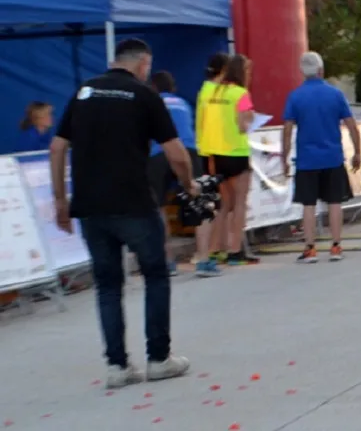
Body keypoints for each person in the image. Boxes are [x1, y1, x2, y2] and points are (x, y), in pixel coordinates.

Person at [49, 39, 193, 388]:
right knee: (155, 275)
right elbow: (176, 153)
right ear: (144, 63)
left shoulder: (84, 91)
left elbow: (57, 147)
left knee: (108, 284)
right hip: (133, 202)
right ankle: (159, 358)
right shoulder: (144, 95)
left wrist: (60, 201)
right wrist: (190, 185)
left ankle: (117, 366)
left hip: (90, 206)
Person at [281, 52, 361, 263]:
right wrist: (358, 151)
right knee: (335, 202)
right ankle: (336, 246)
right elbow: (351, 125)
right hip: (333, 157)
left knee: (308, 204)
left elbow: (287, 129)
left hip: (307, 160)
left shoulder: (295, 97)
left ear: (302, 73)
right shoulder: (335, 94)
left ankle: (310, 248)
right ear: (321, 70)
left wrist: (284, 156)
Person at [146, 71, 217, 277]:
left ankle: (167, 262)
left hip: (158, 154)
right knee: (201, 203)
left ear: (153, 88)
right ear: (173, 87)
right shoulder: (183, 104)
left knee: (158, 207)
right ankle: (203, 260)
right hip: (187, 151)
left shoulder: (149, 102)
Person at [197, 54, 259, 266]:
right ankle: (235, 250)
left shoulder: (214, 91)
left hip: (216, 153)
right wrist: (252, 119)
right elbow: (242, 126)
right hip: (236, 152)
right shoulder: (241, 93)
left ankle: (216, 248)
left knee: (223, 204)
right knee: (240, 203)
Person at [195, 53, 232, 263]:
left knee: (221, 203)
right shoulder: (214, 91)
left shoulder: (206, 89)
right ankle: (211, 251)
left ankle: (217, 248)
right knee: (215, 203)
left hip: (210, 151)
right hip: (213, 152)